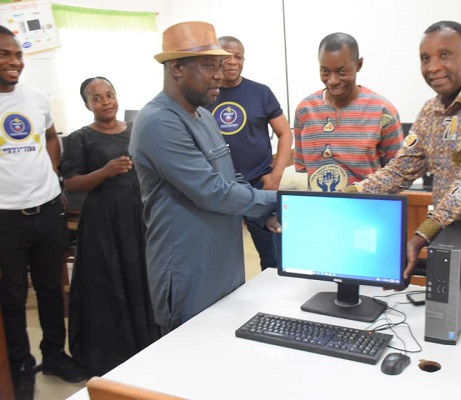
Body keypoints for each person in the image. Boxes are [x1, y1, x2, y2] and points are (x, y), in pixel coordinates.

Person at [346, 21, 461, 298]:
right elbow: (400, 170)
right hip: (451, 243)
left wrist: (422, 235)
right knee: (449, 328)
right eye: (425, 58)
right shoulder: (430, 112)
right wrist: (349, 194)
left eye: (444, 55)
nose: (433, 67)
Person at [129, 21, 279, 333]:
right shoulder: (159, 122)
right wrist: (276, 200)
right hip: (189, 268)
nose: (219, 75)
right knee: (190, 363)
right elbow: (211, 191)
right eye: (209, 66)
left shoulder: (204, 116)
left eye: (220, 65)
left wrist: (264, 212)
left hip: (225, 263)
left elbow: (230, 177)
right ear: (176, 68)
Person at [0, 25, 86, 399]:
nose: (14, 61)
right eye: (4, 54)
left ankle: (53, 355)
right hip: (5, 217)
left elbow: (51, 136)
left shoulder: (35, 98)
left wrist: (52, 174)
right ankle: (20, 367)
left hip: (48, 209)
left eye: (18, 54)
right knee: (12, 296)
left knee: (52, 290)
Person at [60, 77, 160, 376]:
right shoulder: (80, 139)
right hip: (103, 222)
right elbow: (72, 183)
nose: (106, 102)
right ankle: (117, 349)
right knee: (111, 280)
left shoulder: (136, 130)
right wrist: (104, 171)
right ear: (87, 104)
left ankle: (150, 342)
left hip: (139, 216)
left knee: (143, 276)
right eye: (97, 98)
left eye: (109, 95)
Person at [207, 36, 292, 271]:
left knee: (274, 259)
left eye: (239, 57)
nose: (233, 62)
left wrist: (275, 176)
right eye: (227, 56)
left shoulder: (261, 93)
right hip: (219, 189)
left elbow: (285, 134)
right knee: (222, 261)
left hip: (259, 185)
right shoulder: (204, 96)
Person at [294, 32, 403, 192]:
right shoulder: (305, 110)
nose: (333, 80)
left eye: (341, 71)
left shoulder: (383, 111)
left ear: (358, 65)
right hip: (319, 210)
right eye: (325, 71)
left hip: (366, 210)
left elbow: (397, 174)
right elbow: (302, 170)